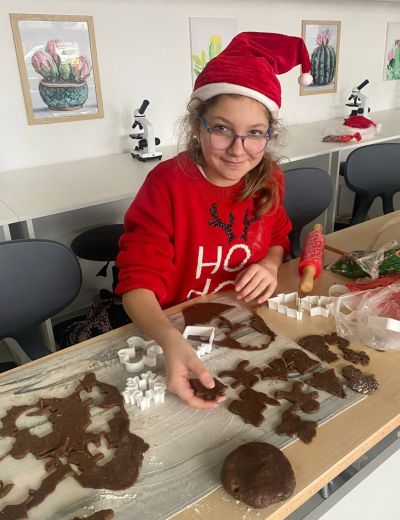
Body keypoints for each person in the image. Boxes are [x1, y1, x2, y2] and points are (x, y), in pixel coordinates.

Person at [115, 32, 312, 409]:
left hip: (245, 323)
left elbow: (278, 237)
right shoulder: (168, 185)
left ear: (269, 135)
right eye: (222, 129)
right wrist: (168, 339)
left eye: (255, 134)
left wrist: (270, 266)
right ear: (197, 125)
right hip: (174, 330)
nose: (239, 150)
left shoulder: (268, 178)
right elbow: (137, 281)